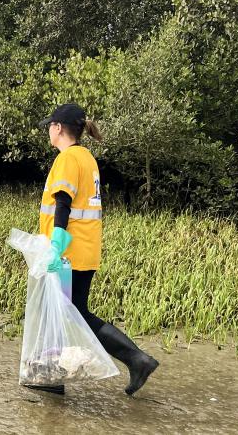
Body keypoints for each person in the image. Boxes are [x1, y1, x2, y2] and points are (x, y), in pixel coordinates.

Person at [35, 103, 158, 396]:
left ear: (58, 128)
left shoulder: (66, 159)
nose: (48, 131)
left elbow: (63, 203)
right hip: (84, 250)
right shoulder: (86, 157)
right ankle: (135, 360)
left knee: (63, 312)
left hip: (67, 254)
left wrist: (56, 245)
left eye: (50, 126)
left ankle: (57, 380)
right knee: (73, 312)